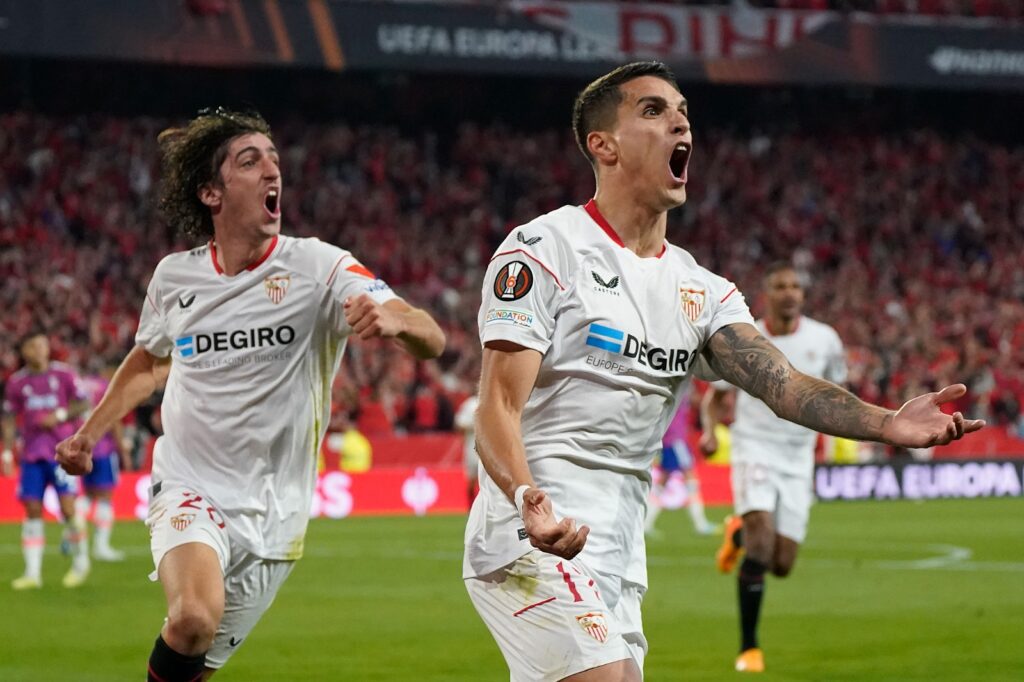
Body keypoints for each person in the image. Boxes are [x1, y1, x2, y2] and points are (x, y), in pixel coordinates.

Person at [463, 61, 983, 682]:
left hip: (617, 542)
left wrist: (887, 423)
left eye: (683, 111)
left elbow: (783, 384)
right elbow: (497, 406)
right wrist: (528, 499)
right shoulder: (544, 249)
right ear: (603, 145)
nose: (680, 122)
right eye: (653, 110)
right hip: (532, 530)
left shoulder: (702, 291)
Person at [56, 107, 445, 682]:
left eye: (274, 159)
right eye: (250, 160)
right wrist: (90, 431)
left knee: (193, 664)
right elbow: (149, 360)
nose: (272, 170)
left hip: (274, 513)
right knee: (191, 618)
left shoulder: (319, 266)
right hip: (189, 483)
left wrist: (397, 323)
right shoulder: (174, 278)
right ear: (211, 193)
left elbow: (431, 337)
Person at [700, 262, 847, 672]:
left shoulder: (825, 339)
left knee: (781, 563)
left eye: (796, 286)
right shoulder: (747, 338)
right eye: (781, 285)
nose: (789, 292)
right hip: (755, 449)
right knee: (762, 547)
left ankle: (738, 533)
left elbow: (838, 392)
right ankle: (749, 648)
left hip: (798, 458)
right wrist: (710, 432)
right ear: (767, 294)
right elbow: (715, 397)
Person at [2, 331, 92, 589]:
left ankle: (80, 563)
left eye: (43, 344)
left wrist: (60, 415)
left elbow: (83, 403)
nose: (40, 349)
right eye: (33, 345)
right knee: (31, 509)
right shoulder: (16, 382)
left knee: (68, 509)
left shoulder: (63, 374)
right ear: (24, 351)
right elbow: (9, 419)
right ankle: (32, 574)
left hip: (62, 452)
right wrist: (6, 452)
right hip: (31, 454)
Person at [77, 361, 134, 561]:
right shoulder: (106, 387)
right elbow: (113, 419)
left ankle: (73, 531)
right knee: (105, 497)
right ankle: (101, 547)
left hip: (83, 448)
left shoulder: (82, 384)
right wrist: (122, 450)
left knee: (88, 495)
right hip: (103, 448)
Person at [645, 384, 716, 536]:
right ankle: (701, 524)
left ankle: (646, 523)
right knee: (691, 478)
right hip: (676, 441)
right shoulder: (679, 388)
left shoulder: (672, 388)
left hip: (671, 440)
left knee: (663, 482)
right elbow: (696, 400)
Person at [455, 391, 480, 506]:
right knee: (472, 479)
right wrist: (473, 425)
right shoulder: (469, 404)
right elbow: (459, 425)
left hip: (490, 449)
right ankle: (471, 506)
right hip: (472, 448)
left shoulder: (492, 401)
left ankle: (487, 507)